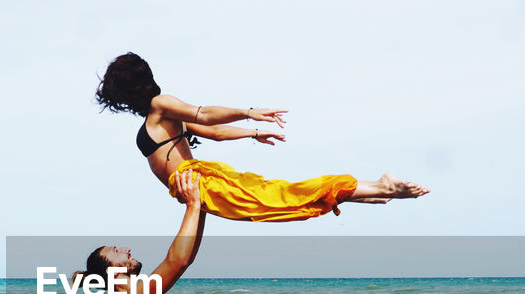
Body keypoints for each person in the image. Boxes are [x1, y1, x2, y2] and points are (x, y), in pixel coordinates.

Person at [94, 52, 430, 222]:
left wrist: (249, 118)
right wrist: (251, 126)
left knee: (278, 199)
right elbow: (209, 128)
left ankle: (379, 187)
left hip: (201, 183)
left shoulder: (160, 105)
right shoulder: (159, 113)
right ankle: (376, 191)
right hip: (198, 186)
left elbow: (205, 119)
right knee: (278, 203)